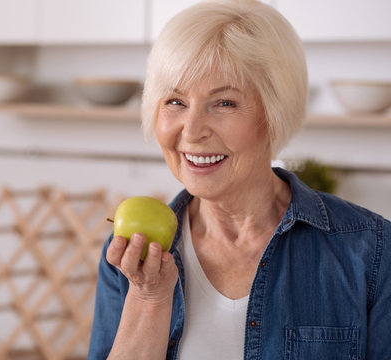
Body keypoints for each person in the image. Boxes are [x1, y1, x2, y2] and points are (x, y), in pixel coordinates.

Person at [88, 0, 391, 359]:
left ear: (274, 113)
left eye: (225, 103)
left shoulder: (372, 250)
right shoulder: (131, 254)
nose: (193, 130)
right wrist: (147, 297)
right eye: (175, 101)